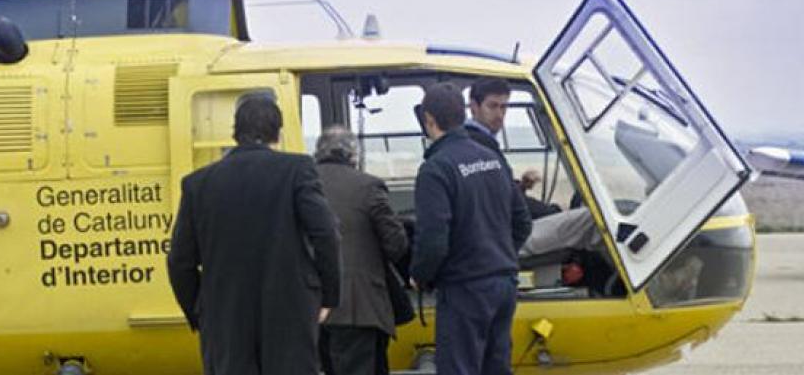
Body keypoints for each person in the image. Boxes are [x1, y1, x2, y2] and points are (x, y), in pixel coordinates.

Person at [167, 95, 341, 375]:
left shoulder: (197, 184)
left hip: (224, 318)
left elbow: (179, 261)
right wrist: (328, 296)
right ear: (278, 132)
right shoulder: (297, 169)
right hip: (290, 312)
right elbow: (326, 233)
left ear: (235, 132)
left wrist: (200, 311)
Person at [411, 83, 532, 375]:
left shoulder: (436, 169)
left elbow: (433, 240)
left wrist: (420, 276)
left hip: (465, 289)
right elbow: (522, 222)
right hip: (503, 284)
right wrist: (497, 256)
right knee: (496, 367)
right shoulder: (492, 158)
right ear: (463, 112)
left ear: (429, 120)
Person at [315, 126, 409, 375]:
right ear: (353, 156)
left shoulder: (302, 185)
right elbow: (395, 244)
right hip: (359, 308)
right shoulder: (368, 186)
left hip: (310, 307)